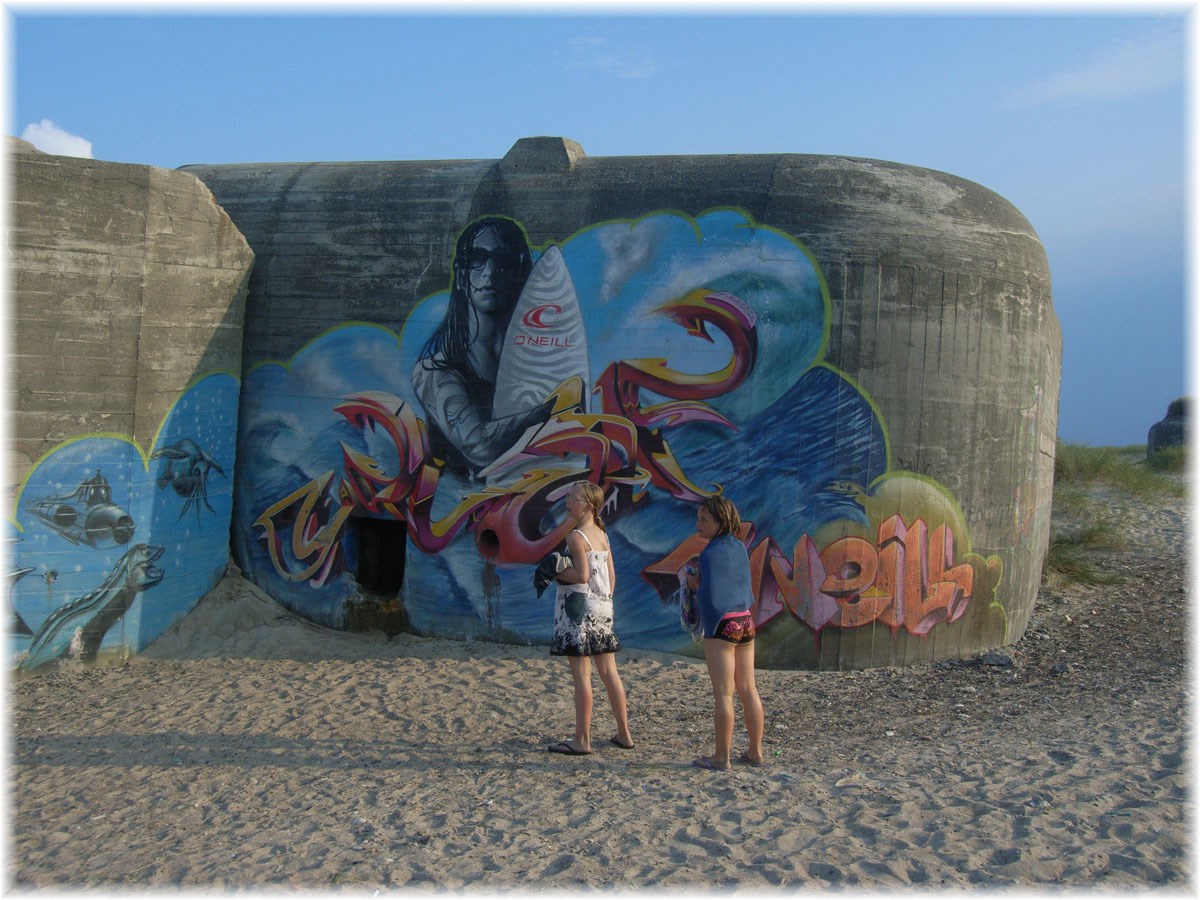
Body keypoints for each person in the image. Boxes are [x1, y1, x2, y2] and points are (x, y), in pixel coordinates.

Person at [412, 216, 556, 480]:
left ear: (520, 275)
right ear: (461, 278)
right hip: (458, 513)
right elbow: (479, 446)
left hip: (533, 505)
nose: (490, 271)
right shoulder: (434, 371)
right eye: (476, 258)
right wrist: (553, 409)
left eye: (503, 259)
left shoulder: (540, 365)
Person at [547, 481, 634, 756]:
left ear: (588, 505)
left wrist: (555, 572)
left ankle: (582, 739)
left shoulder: (576, 537)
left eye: (573, 497)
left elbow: (581, 576)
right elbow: (611, 578)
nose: (567, 501)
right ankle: (624, 733)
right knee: (609, 673)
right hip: (602, 607)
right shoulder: (601, 534)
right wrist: (604, 602)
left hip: (578, 608)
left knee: (582, 676)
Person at [688, 495, 765, 770]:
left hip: (721, 626)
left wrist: (694, 584)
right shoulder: (739, 547)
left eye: (704, 520)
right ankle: (755, 752)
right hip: (745, 621)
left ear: (720, 522)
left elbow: (710, 596)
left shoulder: (709, 554)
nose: (698, 524)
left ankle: (722, 756)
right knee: (749, 688)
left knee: (723, 693)